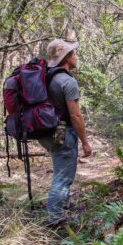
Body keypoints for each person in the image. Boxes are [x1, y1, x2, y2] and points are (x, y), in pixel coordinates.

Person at [39, 39, 92, 226]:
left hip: (47, 132)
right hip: (63, 133)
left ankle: (61, 207)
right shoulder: (68, 81)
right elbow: (76, 116)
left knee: (60, 171)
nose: (76, 56)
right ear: (67, 58)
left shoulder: (47, 77)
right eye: (73, 53)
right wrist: (85, 142)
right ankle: (56, 219)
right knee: (63, 177)